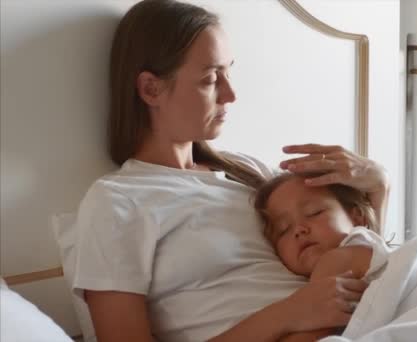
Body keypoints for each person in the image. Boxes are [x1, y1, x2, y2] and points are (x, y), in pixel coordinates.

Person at [71, 1, 390, 341]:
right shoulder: (117, 201)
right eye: (210, 79)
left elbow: (354, 257)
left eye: (228, 72)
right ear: (151, 89)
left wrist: (380, 187)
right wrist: (290, 313)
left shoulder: (250, 173)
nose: (231, 94)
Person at [254, 172, 390, 282]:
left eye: (314, 212)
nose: (298, 230)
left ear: (356, 218)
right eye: (283, 230)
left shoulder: (353, 250)